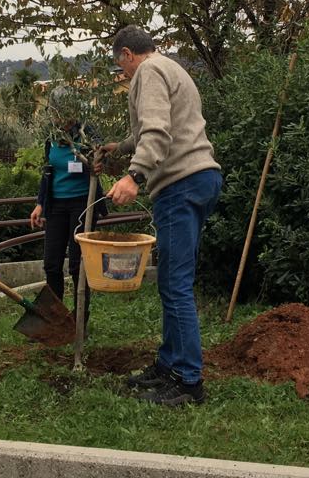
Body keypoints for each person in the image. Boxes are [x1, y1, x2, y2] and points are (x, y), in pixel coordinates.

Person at [99, 25, 222, 406]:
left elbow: (157, 130)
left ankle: (187, 381)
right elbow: (155, 129)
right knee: (175, 280)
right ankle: (169, 365)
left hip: (180, 183)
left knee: (175, 284)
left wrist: (134, 175)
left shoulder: (148, 72)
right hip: (202, 178)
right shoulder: (172, 67)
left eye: (120, 66)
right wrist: (120, 147)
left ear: (125, 55)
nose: (123, 74)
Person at [29, 92, 103, 327]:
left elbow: (105, 163)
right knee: (51, 263)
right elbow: (47, 171)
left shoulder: (87, 133)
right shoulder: (50, 138)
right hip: (56, 205)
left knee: (77, 264)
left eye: (63, 113)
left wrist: (97, 165)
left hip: (83, 203)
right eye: (55, 113)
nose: (59, 118)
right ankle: (53, 318)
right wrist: (41, 203)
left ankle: (80, 318)